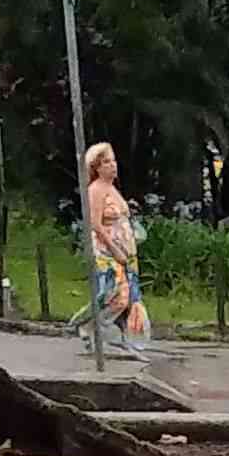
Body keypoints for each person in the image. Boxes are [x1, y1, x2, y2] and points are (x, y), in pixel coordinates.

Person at [80, 142, 148, 352]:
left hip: (126, 250)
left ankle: (111, 332)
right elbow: (95, 223)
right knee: (115, 294)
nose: (112, 165)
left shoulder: (112, 189)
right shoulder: (95, 190)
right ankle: (92, 326)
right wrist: (114, 248)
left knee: (128, 295)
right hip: (106, 251)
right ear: (97, 167)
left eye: (113, 161)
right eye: (106, 162)